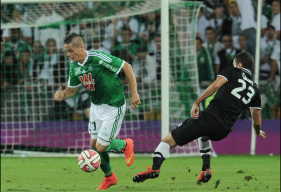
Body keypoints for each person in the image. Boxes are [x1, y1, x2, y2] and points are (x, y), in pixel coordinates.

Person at [132, 52, 266, 184]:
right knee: (204, 135)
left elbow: (216, 85)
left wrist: (197, 102)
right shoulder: (255, 91)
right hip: (224, 130)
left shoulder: (232, 71)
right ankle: (206, 168)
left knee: (167, 141)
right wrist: (258, 131)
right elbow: (257, 120)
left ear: (240, 65)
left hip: (210, 118)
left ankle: (155, 168)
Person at [53, 33, 141, 190]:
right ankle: (109, 177)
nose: (68, 55)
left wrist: (134, 93)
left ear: (81, 46)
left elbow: (127, 67)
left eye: (71, 51)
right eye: (66, 51)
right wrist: (62, 95)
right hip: (96, 107)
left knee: (101, 147)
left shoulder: (99, 58)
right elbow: (71, 90)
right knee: (94, 144)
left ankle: (125, 144)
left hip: (114, 105)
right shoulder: (74, 67)